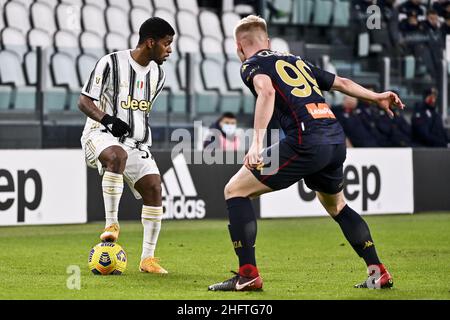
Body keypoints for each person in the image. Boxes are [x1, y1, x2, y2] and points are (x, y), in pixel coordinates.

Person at [208, 15, 404, 291]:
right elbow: (343, 83)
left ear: (239, 47)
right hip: (334, 137)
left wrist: (256, 144)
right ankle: (378, 272)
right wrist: (377, 97)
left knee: (235, 190)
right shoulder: (295, 60)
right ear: (268, 41)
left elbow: (265, 92)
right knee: (337, 206)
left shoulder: (251, 64)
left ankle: (247, 274)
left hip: (306, 139)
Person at [78, 17, 175, 274]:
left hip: (135, 143)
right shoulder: (110, 63)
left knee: (154, 187)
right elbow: (84, 101)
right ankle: (112, 225)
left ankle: (147, 259)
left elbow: (141, 112)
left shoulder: (158, 74)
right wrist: (107, 119)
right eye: (167, 44)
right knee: (117, 155)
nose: (170, 50)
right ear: (150, 42)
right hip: (100, 133)